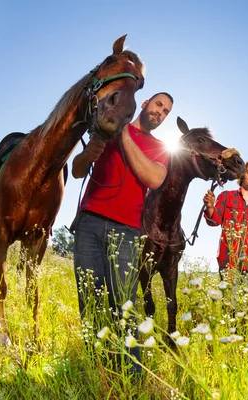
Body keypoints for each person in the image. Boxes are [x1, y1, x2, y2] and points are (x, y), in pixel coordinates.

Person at [71, 92, 173, 373]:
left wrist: (125, 132)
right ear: (144, 104)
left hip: (126, 231)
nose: (160, 113)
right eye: (158, 105)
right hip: (90, 222)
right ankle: (97, 371)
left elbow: (153, 177)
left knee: (123, 305)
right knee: (89, 301)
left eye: (165, 112)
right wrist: (89, 152)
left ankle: (131, 376)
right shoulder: (107, 127)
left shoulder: (159, 147)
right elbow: (78, 170)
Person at [203, 160, 248, 280]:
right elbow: (214, 221)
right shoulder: (226, 196)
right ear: (242, 175)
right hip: (228, 262)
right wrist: (210, 207)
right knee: (229, 298)